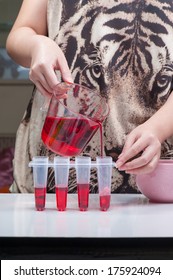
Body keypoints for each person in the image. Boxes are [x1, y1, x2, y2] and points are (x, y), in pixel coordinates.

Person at [6, 0, 173, 193]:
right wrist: (37, 44)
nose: (116, 146)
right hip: (52, 175)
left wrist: (158, 128)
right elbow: (21, 32)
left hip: (155, 180)